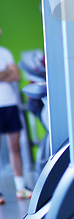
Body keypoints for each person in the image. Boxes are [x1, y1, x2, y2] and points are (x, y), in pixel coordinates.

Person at [0, 28, 32, 203]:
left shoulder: (4, 52)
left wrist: (4, 74)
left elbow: (16, 74)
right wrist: (6, 72)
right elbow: (9, 73)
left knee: (15, 146)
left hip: (10, 104)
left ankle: (20, 188)